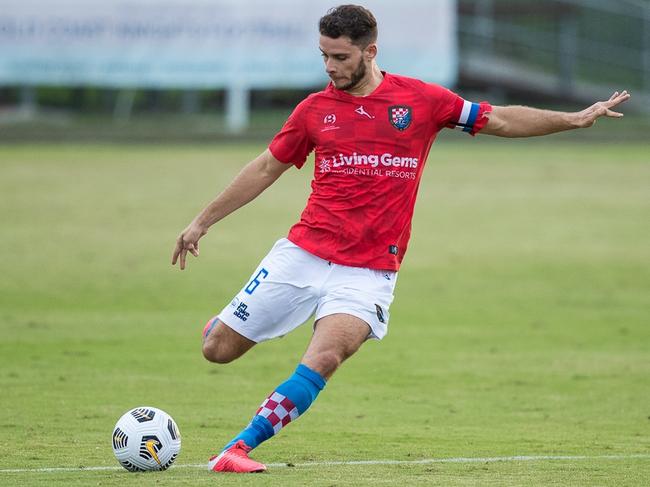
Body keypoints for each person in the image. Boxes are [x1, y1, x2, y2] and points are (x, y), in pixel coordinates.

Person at [171, 4, 630, 474]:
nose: (330, 67)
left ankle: (238, 449)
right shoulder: (313, 110)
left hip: (369, 271)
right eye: (324, 56)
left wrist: (572, 119)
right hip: (303, 254)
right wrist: (203, 221)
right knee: (218, 351)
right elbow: (267, 167)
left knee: (327, 355)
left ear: (370, 52)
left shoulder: (422, 100)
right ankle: (221, 324)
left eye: (341, 58)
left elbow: (502, 120)